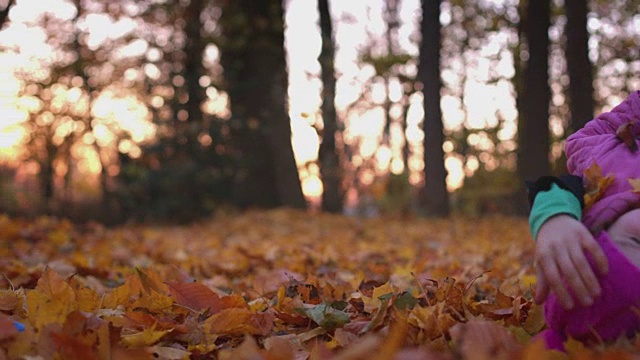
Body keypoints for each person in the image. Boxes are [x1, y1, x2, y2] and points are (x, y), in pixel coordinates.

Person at [527, 90, 640, 350]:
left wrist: (555, 222)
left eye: (636, 241)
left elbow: (553, 189)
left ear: (598, 235)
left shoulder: (599, 192)